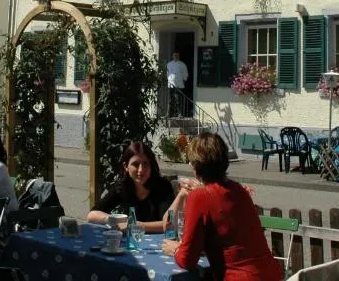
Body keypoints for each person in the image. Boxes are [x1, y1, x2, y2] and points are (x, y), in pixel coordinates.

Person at [162, 132, 281, 281]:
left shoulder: (199, 197)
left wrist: (176, 250)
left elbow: (187, 259)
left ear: (196, 166)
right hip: (269, 274)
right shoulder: (238, 190)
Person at [87, 141, 174, 233]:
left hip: (158, 243)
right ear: (126, 166)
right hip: (130, 243)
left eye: (145, 164)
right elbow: (92, 215)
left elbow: (168, 224)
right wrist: (113, 220)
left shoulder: (162, 186)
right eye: (136, 164)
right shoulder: (122, 187)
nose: (141, 170)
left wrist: (133, 225)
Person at [167, 50, 188, 117]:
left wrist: (183, 81)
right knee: (170, 100)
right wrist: (169, 80)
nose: (175, 56)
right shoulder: (169, 64)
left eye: (177, 55)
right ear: (172, 56)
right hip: (171, 84)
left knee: (179, 100)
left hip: (179, 85)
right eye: (174, 55)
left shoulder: (182, 64)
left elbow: (185, 75)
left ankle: (180, 113)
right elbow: (167, 74)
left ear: (179, 56)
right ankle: (169, 114)